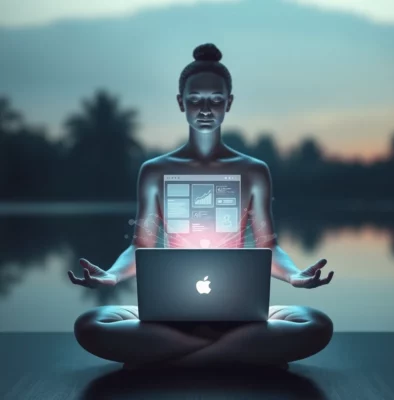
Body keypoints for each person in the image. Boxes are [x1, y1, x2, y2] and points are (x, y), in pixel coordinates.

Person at [68, 43, 334, 370]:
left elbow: (268, 248)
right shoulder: (154, 172)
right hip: (170, 313)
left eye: (215, 100)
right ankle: (233, 353)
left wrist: (294, 276)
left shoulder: (254, 171)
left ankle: (170, 357)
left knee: (315, 324)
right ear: (181, 103)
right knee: (91, 325)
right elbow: (141, 247)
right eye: (195, 100)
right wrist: (110, 276)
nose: (205, 109)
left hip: (237, 312)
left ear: (229, 104)